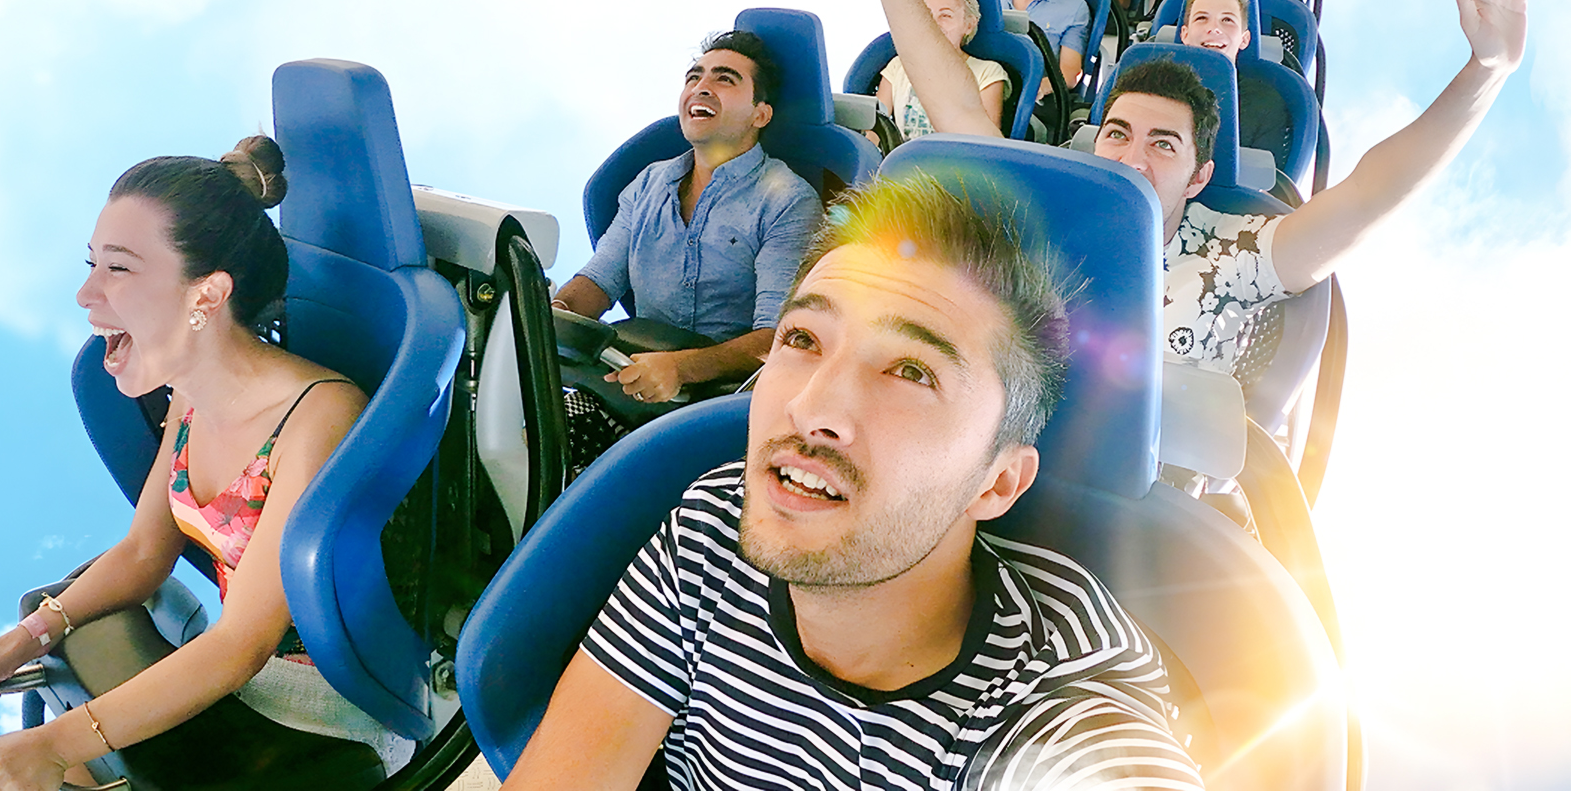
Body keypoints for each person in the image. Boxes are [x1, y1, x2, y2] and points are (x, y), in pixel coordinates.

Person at [498, 169, 1205, 788]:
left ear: (996, 484)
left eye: (910, 371)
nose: (813, 409)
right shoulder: (712, 527)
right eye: (803, 340)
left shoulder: (1051, 688)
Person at [848, 0, 1552, 374]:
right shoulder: (1051, 214)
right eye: (1118, 132)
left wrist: (1485, 71)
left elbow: (1369, 196)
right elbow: (961, 115)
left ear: (1197, 174)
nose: (1129, 154)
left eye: (1163, 144)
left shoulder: (1229, 255)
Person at [0, 138, 399, 790]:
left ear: (206, 296)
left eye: (120, 271)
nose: (88, 295)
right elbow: (145, 553)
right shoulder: (190, 397)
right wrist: (10, 647)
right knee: (62, 625)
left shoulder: (318, 418)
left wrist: (52, 747)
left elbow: (243, 644)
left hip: (325, 710)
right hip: (237, 681)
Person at [552, 31, 822, 406]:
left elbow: (777, 337)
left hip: (722, 404)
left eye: (724, 79)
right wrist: (554, 315)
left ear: (760, 114)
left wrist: (681, 368)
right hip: (626, 382)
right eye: (694, 77)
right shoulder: (647, 183)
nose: (702, 87)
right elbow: (597, 282)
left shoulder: (788, 200)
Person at [875, 0, 1010, 140]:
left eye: (945, 15)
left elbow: (986, 144)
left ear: (969, 25)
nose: (934, 24)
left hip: (957, 164)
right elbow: (874, 131)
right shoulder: (899, 65)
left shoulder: (988, 72)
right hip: (902, 162)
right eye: (926, 15)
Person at [1180, 0, 1291, 165]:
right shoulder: (1149, 87)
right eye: (1202, 18)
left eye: (1227, 20)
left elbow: (1261, 187)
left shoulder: (1266, 104)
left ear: (1244, 39)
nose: (1214, 28)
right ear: (1184, 35)